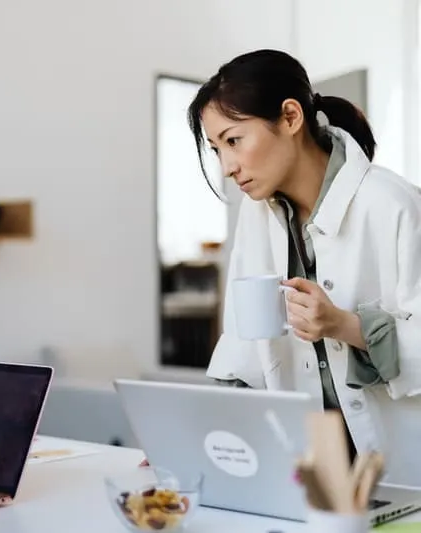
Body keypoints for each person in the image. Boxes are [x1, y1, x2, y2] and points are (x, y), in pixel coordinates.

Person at [151, 49, 421, 484]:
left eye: (234, 140)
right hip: (309, 460)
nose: (227, 168)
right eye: (216, 148)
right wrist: (194, 439)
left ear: (291, 117)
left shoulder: (394, 204)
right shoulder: (257, 217)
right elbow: (243, 347)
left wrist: (342, 324)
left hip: (397, 462)